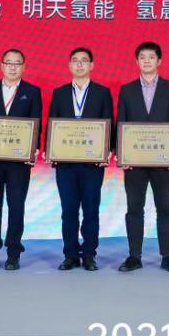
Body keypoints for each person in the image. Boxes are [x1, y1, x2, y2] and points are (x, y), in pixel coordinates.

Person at [116, 41, 169, 273]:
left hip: (163, 162)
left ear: (159, 61)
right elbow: (121, 123)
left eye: (151, 57)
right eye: (142, 57)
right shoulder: (127, 90)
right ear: (136, 61)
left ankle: (167, 256)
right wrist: (121, 154)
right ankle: (134, 256)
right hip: (134, 162)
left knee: (165, 208)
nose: (147, 61)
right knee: (134, 209)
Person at [46, 47, 114, 272]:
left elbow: (109, 123)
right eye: (75, 60)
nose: (79, 64)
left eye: (84, 60)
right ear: (69, 65)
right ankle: (71, 255)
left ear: (92, 65)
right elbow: (52, 123)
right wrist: (50, 150)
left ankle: (90, 254)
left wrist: (107, 150)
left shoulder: (102, 93)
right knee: (68, 211)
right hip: (65, 164)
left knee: (91, 210)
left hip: (93, 163)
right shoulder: (59, 93)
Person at [0, 48, 43, 271]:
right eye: (9, 63)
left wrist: (33, 150)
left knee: (16, 207)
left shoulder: (32, 91)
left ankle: (13, 253)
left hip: (18, 162)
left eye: (17, 63)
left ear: (24, 67)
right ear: (1, 65)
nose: (13, 67)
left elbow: (36, 123)